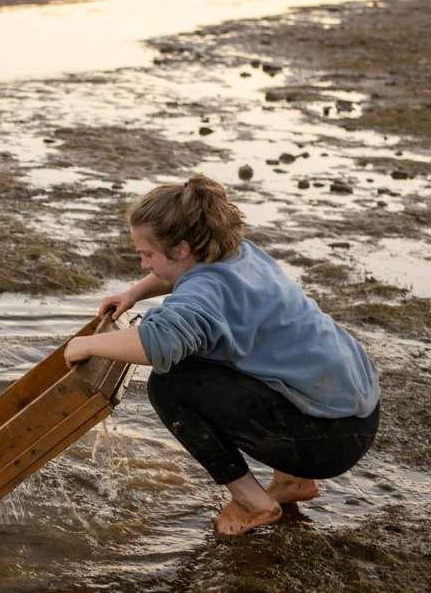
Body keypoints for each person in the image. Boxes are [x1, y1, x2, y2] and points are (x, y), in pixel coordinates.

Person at [63, 174, 380, 536]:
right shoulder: (237, 252)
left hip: (327, 441)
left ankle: (251, 501)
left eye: (147, 254)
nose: (143, 264)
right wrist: (135, 293)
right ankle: (294, 480)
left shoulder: (205, 292)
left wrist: (87, 345)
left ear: (182, 248)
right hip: (357, 411)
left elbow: (158, 344)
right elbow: (181, 275)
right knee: (231, 352)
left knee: (170, 384)